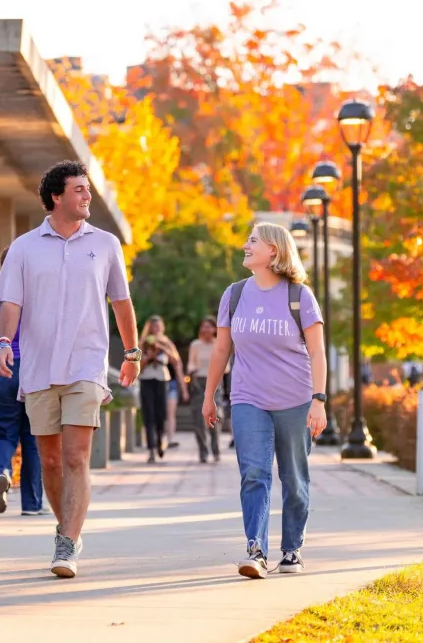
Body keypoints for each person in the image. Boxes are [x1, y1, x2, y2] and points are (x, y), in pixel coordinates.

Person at [0, 160, 140, 579]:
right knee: (51, 461)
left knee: (76, 456)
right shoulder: (23, 247)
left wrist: (131, 352)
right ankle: (68, 531)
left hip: (87, 364)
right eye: (79, 189)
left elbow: (121, 302)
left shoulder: (107, 244)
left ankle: (65, 545)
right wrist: (5, 342)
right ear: (56, 196)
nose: (87, 196)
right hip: (39, 367)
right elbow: (10, 303)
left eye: (88, 189)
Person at [202, 222, 328, 579]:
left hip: (296, 400)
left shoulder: (299, 296)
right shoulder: (235, 294)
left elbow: (317, 353)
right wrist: (209, 395)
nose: (245, 245)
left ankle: (292, 550)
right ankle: (255, 550)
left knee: (294, 477)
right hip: (248, 398)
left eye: (253, 241)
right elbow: (222, 349)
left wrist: (318, 400)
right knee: (254, 474)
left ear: (273, 250)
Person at [0, 246, 47, 516]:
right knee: (32, 435)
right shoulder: (36, 295)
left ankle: (1, 473)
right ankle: (32, 503)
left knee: (4, 431)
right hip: (32, 369)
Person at [139, 315, 186, 462]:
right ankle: (151, 449)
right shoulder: (142, 343)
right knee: (149, 415)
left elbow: (176, 361)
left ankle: (160, 442)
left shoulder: (167, 343)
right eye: (153, 326)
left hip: (162, 379)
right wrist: (148, 357)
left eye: (158, 326)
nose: (156, 329)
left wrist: (163, 349)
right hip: (146, 379)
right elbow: (136, 365)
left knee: (161, 414)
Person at [187, 316, 227, 463]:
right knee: (198, 418)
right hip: (199, 381)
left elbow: (226, 365)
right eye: (203, 326)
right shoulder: (195, 345)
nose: (206, 329)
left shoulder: (220, 344)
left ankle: (216, 450)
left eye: (209, 326)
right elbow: (191, 363)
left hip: (216, 382)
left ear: (214, 328)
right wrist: (193, 370)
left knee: (216, 418)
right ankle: (203, 451)